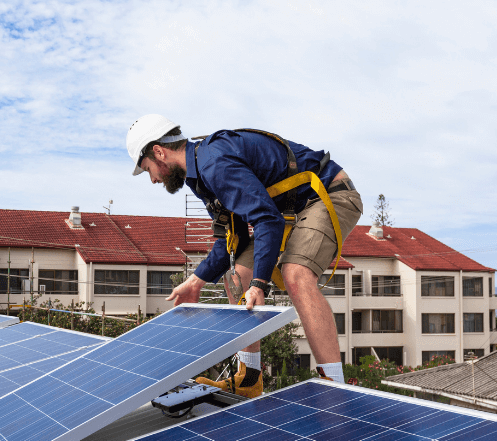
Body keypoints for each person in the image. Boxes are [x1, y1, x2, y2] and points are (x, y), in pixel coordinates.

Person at [126, 113, 363, 396]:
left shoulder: (214, 163)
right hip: (288, 211)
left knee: (295, 275)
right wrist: (196, 282)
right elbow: (232, 239)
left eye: (148, 169)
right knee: (237, 277)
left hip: (328, 194)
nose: (152, 179)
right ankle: (249, 380)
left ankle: (334, 388)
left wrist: (259, 284)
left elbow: (267, 220)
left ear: (159, 152)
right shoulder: (199, 175)